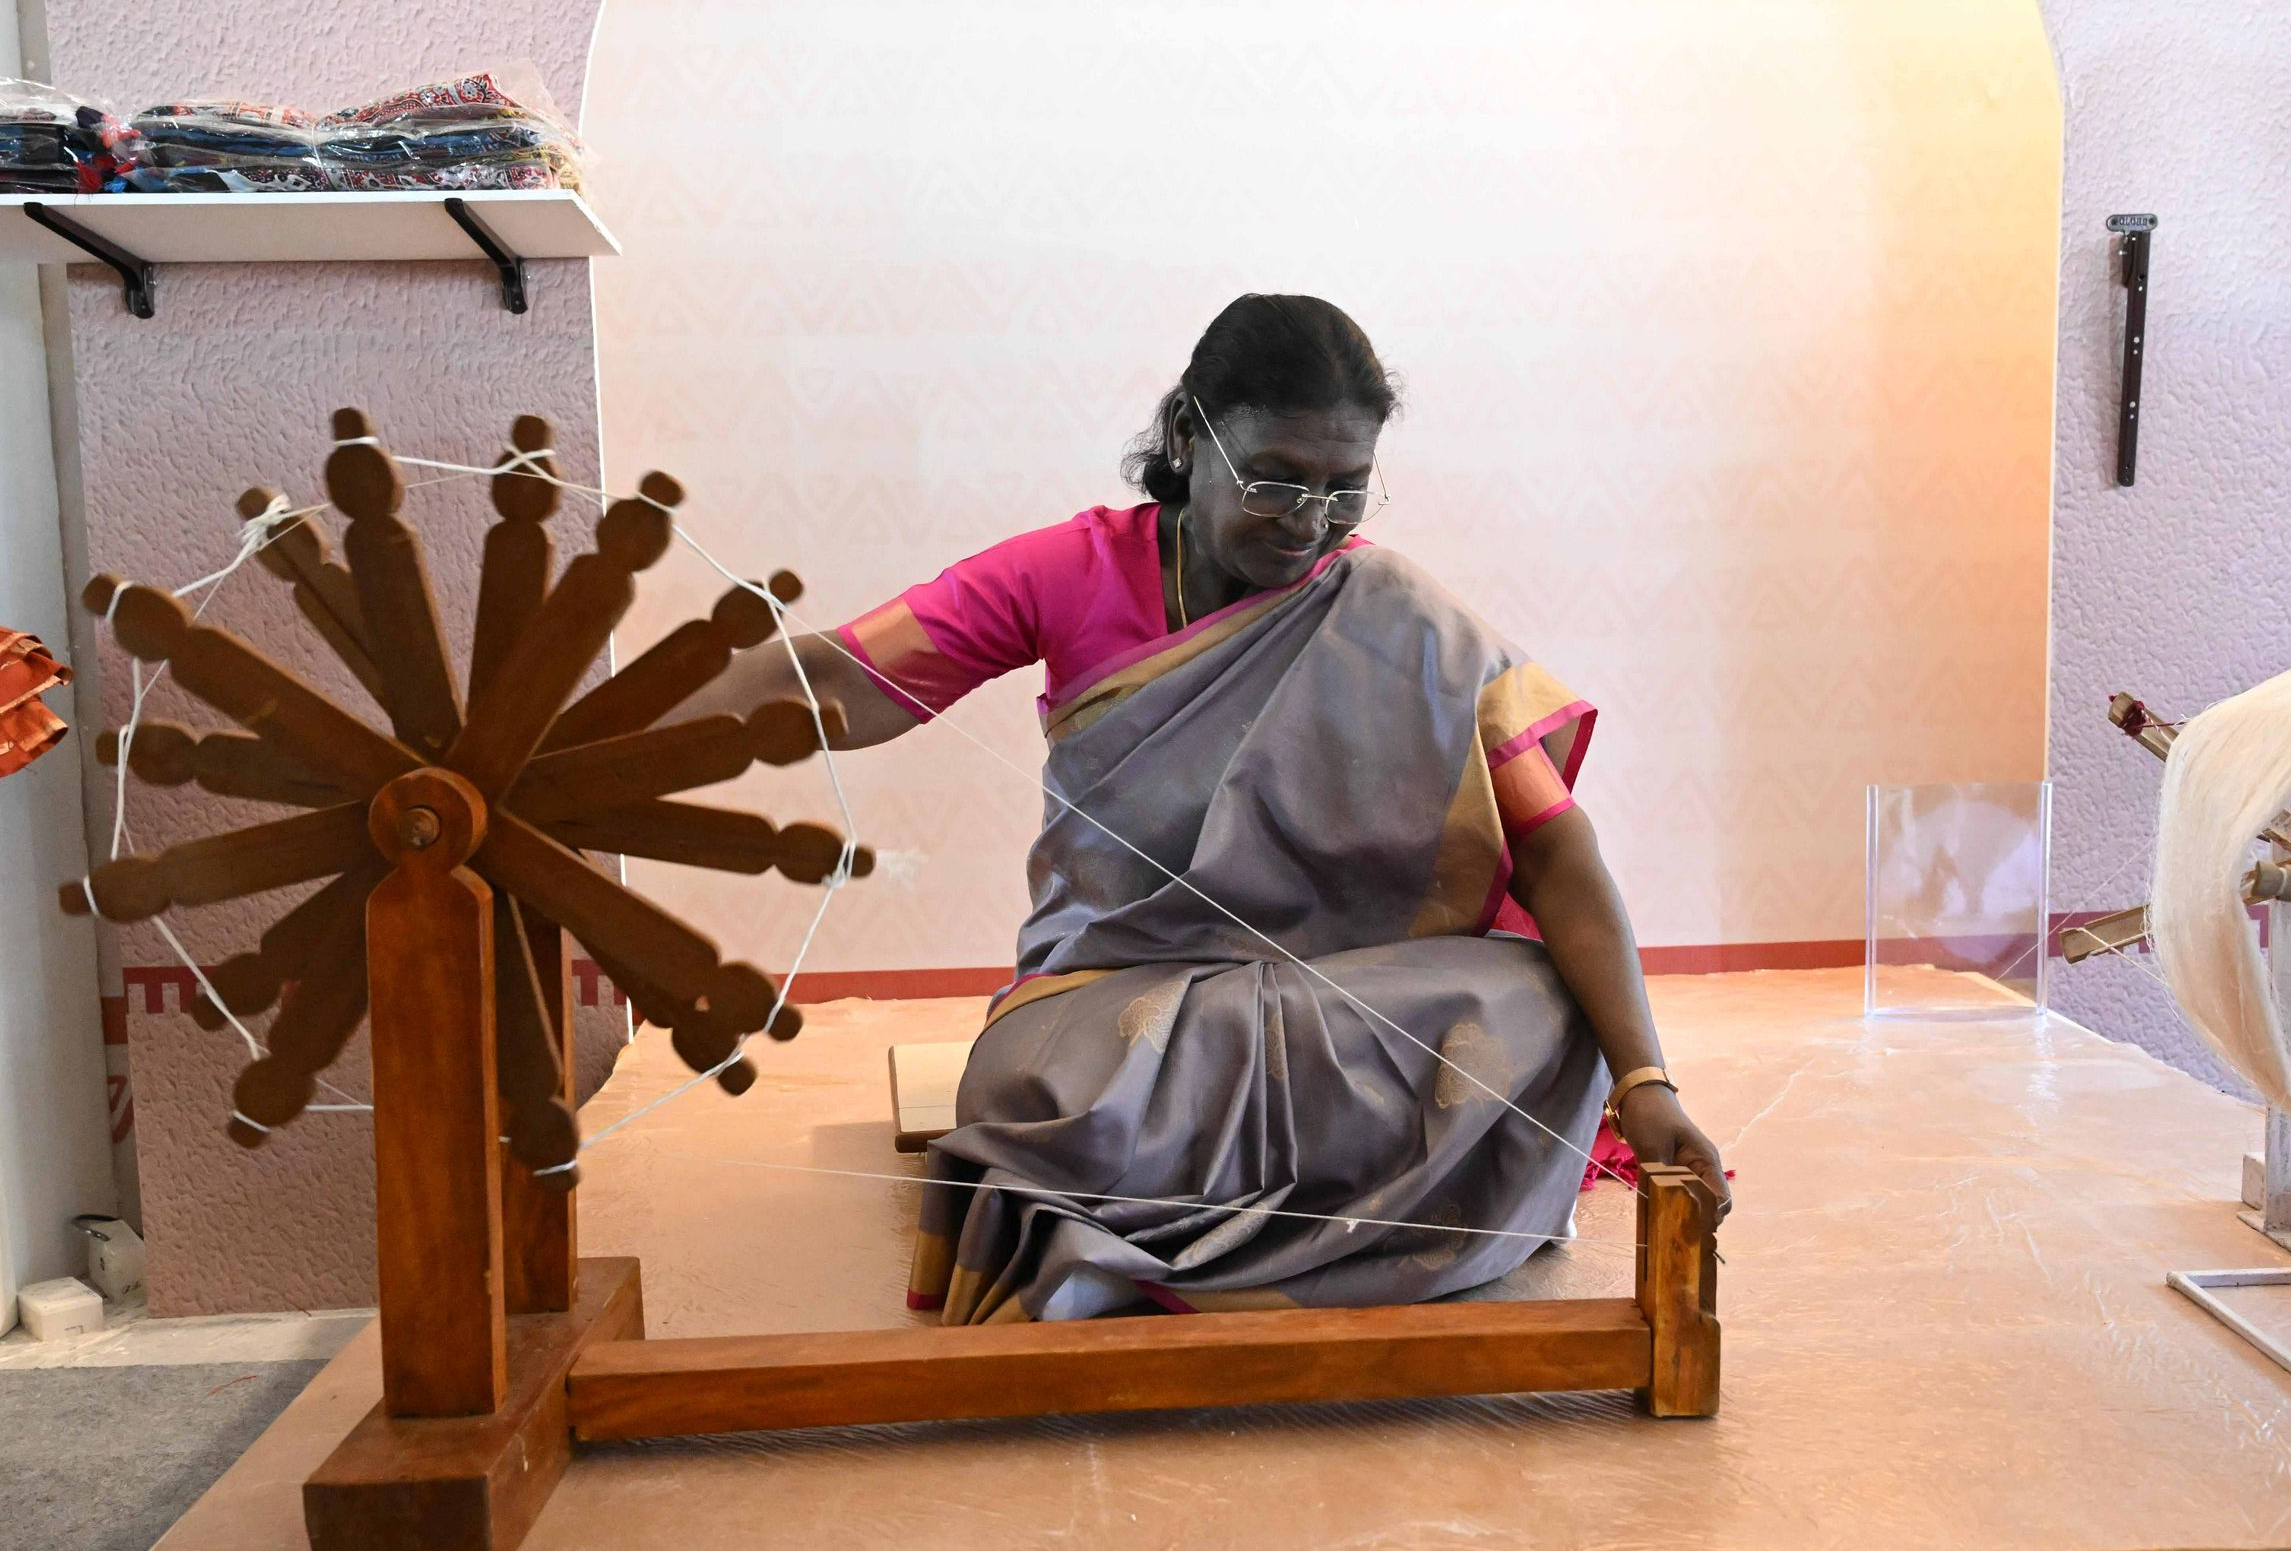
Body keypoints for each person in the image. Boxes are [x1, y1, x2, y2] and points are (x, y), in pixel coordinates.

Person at [715, 293, 1727, 1323]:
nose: (1308, 520)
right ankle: (1317, 1212)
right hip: (1115, 1001)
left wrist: (1646, 1080)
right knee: (1030, 1091)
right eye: (1275, 479)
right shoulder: (1073, 571)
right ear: (1188, 437)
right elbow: (841, 680)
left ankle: (1146, 1233)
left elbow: (1556, 852)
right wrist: (648, 712)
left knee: (1549, 1004)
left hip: (1340, 994)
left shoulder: (1398, 618)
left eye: (1345, 488)